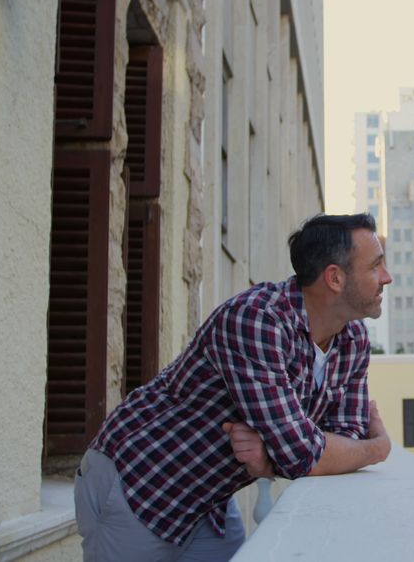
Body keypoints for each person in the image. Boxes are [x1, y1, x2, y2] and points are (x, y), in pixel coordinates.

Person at [73, 213, 393, 561]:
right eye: (375, 266)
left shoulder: (353, 339)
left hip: (207, 503)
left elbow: (344, 433)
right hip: (139, 485)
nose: (386, 277)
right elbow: (304, 452)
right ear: (334, 277)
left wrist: (275, 457)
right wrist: (377, 449)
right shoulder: (257, 320)